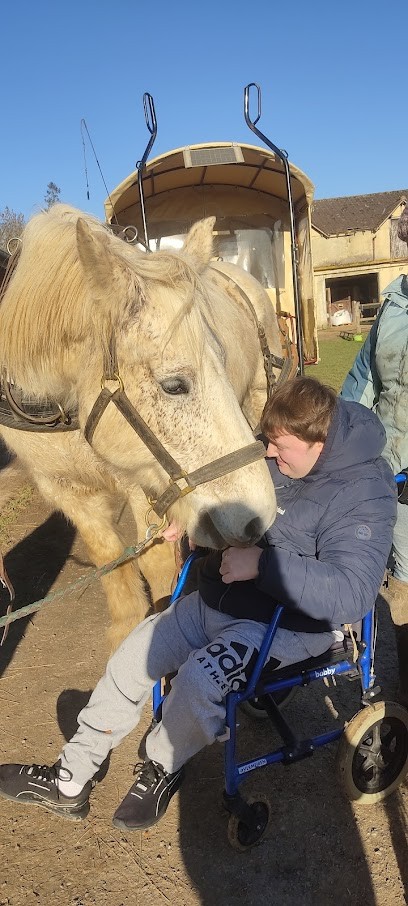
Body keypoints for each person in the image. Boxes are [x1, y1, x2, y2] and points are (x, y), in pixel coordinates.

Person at [0, 377, 397, 830]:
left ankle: (162, 767)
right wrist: (186, 517)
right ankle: (71, 778)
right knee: (130, 658)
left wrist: (263, 566)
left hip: (285, 627)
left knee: (197, 680)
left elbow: (352, 592)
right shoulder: (275, 456)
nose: (267, 454)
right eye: (266, 442)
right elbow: (217, 493)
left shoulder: (364, 491)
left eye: (279, 447)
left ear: (319, 441)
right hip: (216, 599)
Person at [340, 203, 408, 702]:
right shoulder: (393, 307)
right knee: (381, 572)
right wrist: (336, 442)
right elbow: (363, 383)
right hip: (386, 468)